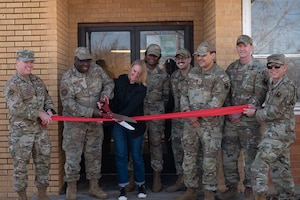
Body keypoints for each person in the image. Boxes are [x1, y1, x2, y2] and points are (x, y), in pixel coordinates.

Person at [176, 42, 230, 200]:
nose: (199, 58)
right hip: (190, 125)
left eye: (203, 55)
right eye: (198, 55)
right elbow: (183, 95)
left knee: (209, 160)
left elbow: (216, 102)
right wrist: (187, 113)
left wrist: (196, 115)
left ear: (213, 55)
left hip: (210, 126)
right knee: (189, 158)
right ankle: (191, 190)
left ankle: (209, 192)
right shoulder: (192, 73)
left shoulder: (221, 76)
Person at [60, 47, 114, 200]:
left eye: (88, 60)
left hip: (95, 124)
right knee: (73, 156)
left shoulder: (97, 70)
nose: (85, 63)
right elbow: (68, 104)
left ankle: (94, 187)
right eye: (82, 60)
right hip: (75, 125)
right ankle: (71, 187)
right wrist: (91, 113)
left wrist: (105, 95)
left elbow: (109, 83)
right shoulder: (67, 78)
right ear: (75, 60)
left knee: (94, 154)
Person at [218, 35, 268, 200]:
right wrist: (230, 111)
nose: (242, 49)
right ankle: (232, 187)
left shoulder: (259, 70)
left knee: (250, 156)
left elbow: (259, 95)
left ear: (252, 47)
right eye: (239, 46)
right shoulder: (231, 68)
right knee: (228, 156)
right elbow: (225, 93)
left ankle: (249, 188)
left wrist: (242, 111)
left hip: (249, 122)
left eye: (245, 46)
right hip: (231, 121)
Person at [3, 49, 56, 200]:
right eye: (26, 61)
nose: (30, 65)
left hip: (40, 133)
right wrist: (39, 113)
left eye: (31, 61)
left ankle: (42, 195)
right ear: (17, 62)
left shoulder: (37, 81)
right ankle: (22, 197)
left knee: (43, 164)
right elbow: (16, 107)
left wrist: (49, 110)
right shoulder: (13, 84)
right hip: (21, 135)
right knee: (21, 168)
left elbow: (47, 99)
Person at [243, 54, 297, 200]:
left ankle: (260, 195)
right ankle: (287, 196)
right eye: (270, 66)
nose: (273, 69)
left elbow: (274, 112)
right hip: (274, 134)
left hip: (280, 135)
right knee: (280, 168)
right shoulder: (273, 84)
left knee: (259, 164)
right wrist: (256, 107)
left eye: (277, 66)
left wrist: (255, 112)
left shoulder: (286, 87)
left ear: (284, 67)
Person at [107, 59, 148, 200]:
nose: (135, 74)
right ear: (130, 68)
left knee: (136, 156)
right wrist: (106, 107)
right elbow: (114, 100)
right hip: (119, 124)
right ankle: (123, 187)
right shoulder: (120, 81)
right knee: (121, 154)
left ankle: (141, 185)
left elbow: (132, 107)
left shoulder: (142, 88)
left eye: (138, 73)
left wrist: (117, 116)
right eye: (134, 70)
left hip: (135, 125)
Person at [143, 44, 170, 192]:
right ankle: (133, 177)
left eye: (155, 56)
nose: (152, 58)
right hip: (139, 114)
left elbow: (166, 96)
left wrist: (158, 109)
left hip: (156, 115)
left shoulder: (163, 75)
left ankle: (157, 177)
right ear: (146, 55)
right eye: (150, 55)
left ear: (158, 58)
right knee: (136, 145)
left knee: (156, 145)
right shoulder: (139, 71)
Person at [166, 48, 192, 193]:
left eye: (183, 58)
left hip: (192, 120)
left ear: (189, 60)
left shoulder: (196, 75)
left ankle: (193, 183)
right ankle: (180, 179)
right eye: (178, 58)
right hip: (177, 119)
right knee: (177, 150)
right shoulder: (174, 76)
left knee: (192, 151)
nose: (180, 61)